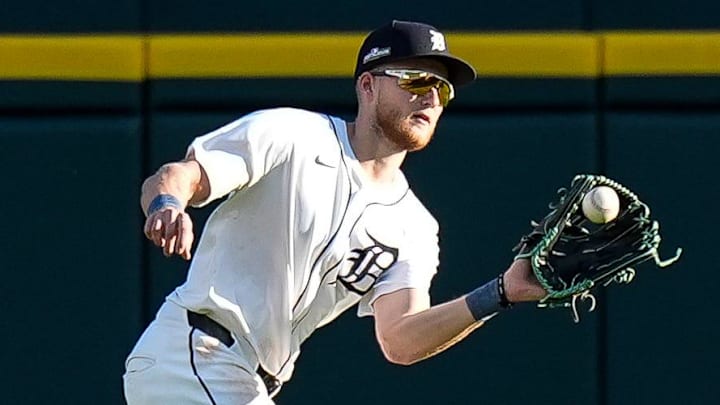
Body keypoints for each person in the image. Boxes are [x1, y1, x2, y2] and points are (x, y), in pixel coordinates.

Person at [123, 20, 546, 405]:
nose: (431, 97)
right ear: (368, 85)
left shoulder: (415, 227)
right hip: (193, 356)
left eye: (442, 88)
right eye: (416, 80)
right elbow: (180, 175)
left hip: (246, 383)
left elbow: (400, 339)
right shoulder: (293, 135)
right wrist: (167, 204)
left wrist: (501, 292)